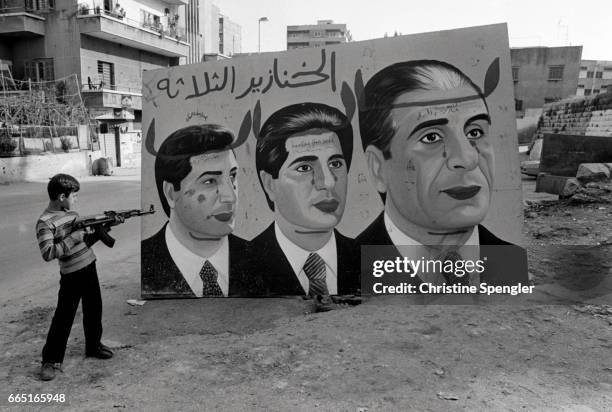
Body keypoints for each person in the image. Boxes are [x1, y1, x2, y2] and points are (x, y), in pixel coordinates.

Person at [356, 60, 528, 286]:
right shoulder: (346, 273)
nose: (468, 159)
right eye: (431, 137)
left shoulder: (514, 262)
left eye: (475, 132)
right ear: (378, 168)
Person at [250, 103, 360, 298]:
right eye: (304, 168)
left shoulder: (375, 260)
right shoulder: (238, 266)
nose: (328, 182)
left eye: (335, 164)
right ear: (269, 184)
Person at [141, 124, 260, 298]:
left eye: (232, 176)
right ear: (171, 194)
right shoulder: (147, 261)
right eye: (209, 181)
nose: (230, 197)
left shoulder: (261, 259)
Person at [36, 174, 114, 381]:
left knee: (94, 308)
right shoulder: (45, 223)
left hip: (89, 265)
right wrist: (72, 238)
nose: (76, 199)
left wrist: (102, 230)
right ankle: (50, 361)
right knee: (64, 317)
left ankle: (93, 346)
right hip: (71, 275)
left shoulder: (72, 215)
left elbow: (84, 242)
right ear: (62, 196)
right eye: (74, 195)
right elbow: (48, 253)